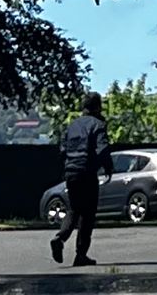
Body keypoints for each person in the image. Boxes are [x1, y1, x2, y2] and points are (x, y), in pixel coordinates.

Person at [52, 91, 111, 267]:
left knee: (73, 209)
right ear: (97, 107)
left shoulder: (72, 126)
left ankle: (60, 237)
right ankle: (81, 255)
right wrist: (107, 167)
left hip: (71, 172)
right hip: (87, 172)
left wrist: (69, 164)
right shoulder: (98, 125)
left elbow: (62, 150)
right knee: (88, 214)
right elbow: (103, 149)